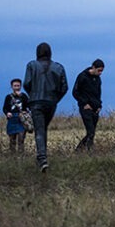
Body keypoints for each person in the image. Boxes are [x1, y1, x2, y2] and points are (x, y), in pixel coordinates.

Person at [23, 41, 69, 172]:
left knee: (39, 130)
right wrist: (55, 99)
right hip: (51, 103)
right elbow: (64, 87)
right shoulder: (58, 67)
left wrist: (32, 94)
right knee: (43, 129)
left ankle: (42, 158)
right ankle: (42, 157)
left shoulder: (32, 65)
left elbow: (26, 83)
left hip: (36, 102)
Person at [73, 59, 104, 153]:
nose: (100, 73)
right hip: (85, 109)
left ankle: (78, 151)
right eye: (99, 70)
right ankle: (90, 152)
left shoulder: (98, 79)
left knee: (92, 133)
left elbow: (98, 93)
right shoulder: (82, 76)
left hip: (95, 109)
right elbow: (75, 92)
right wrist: (84, 103)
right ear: (93, 68)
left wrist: (99, 106)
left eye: (102, 71)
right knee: (90, 132)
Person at [3, 78, 30, 154]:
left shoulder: (24, 96)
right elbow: (4, 108)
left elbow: (28, 106)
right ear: (12, 87)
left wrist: (26, 111)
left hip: (21, 119)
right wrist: (7, 113)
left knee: (21, 139)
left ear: (20, 86)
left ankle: (21, 155)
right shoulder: (8, 97)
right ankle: (12, 156)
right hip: (12, 119)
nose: (16, 87)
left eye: (18, 86)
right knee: (12, 140)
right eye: (15, 86)